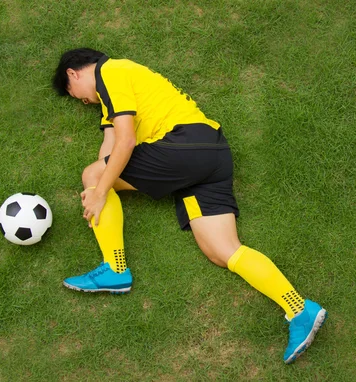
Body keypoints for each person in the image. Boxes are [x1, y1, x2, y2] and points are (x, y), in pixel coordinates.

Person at [52, 48, 327, 363]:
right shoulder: (111, 99)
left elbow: (126, 142)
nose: (84, 102)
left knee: (93, 174)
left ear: (74, 73)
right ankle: (299, 308)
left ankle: (115, 268)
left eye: (77, 96)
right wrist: (99, 183)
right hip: (209, 156)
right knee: (221, 251)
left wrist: (98, 188)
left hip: (183, 144)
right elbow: (110, 146)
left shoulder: (109, 71)